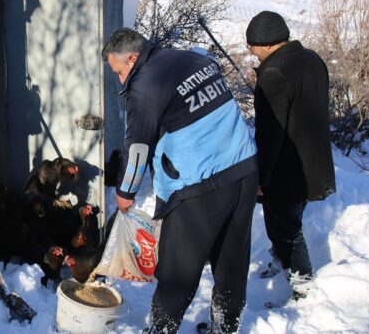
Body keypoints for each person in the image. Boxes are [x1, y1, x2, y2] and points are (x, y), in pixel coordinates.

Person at [102, 28, 258, 333]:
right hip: (244, 171)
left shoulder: (146, 85)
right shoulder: (191, 60)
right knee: (231, 262)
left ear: (133, 58)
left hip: (200, 187)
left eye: (119, 72)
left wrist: (124, 193)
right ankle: (226, 328)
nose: (121, 80)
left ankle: (160, 330)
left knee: (178, 269)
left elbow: (137, 150)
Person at [246, 11, 336, 300]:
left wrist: (263, 177)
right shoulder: (311, 59)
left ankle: (303, 286)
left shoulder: (273, 74)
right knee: (291, 220)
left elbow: (270, 136)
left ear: (267, 44)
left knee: (286, 229)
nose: (249, 50)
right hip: (313, 162)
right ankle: (281, 260)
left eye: (251, 45)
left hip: (287, 170)